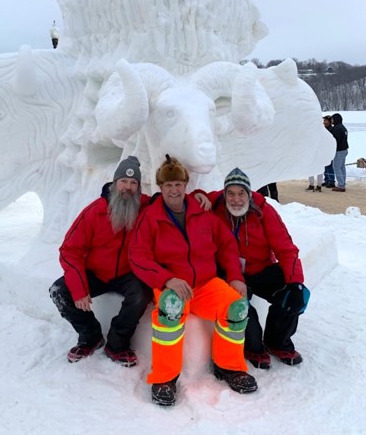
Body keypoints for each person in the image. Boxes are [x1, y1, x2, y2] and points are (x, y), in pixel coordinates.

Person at [130, 154, 257, 406]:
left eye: (178, 184)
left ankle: (229, 367)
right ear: (160, 187)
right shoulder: (151, 217)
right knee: (170, 311)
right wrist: (167, 279)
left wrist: (234, 276)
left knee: (237, 307)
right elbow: (138, 256)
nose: (174, 190)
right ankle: (164, 378)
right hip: (173, 286)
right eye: (168, 185)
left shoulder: (202, 212)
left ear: (186, 185)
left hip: (207, 284)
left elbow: (227, 246)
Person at [49, 156, 152, 367]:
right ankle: (90, 336)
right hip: (96, 273)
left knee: (141, 295)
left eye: (134, 183)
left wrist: (201, 197)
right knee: (59, 291)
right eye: (124, 181)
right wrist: (78, 288)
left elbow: (174, 200)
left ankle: (117, 344)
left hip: (128, 273)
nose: (128, 188)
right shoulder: (94, 211)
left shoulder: (146, 207)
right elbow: (70, 250)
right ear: (115, 184)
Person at [206, 168, 310, 370]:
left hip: (261, 270)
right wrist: (201, 195)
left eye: (241, 193)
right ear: (224, 193)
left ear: (249, 193)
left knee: (295, 296)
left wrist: (296, 282)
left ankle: (277, 341)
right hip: (230, 272)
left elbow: (286, 249)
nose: (236, 199)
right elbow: (191, 198)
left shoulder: (263, 211)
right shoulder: (216, 206)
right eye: (231, 193)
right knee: (241, 305)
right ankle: (253, 347)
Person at [309, 115, 336, 190]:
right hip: (321, 150)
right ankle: (327, 180)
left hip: (326, 150)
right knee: (325, 167)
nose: (324, 122)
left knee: (329, 166)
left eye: (325, 120)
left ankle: (331, 181)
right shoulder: (323, 129)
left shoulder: (331, 129)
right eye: (323, 120)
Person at [330, 113, 349, 192]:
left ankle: (341, 185)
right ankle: (342, 183)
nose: (332, 121)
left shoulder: (337, 128)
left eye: (333, 119)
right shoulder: (343, 127)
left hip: (339, 150)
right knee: (342, 167)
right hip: (344, 149)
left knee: (336, 167)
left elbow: (335, 141)